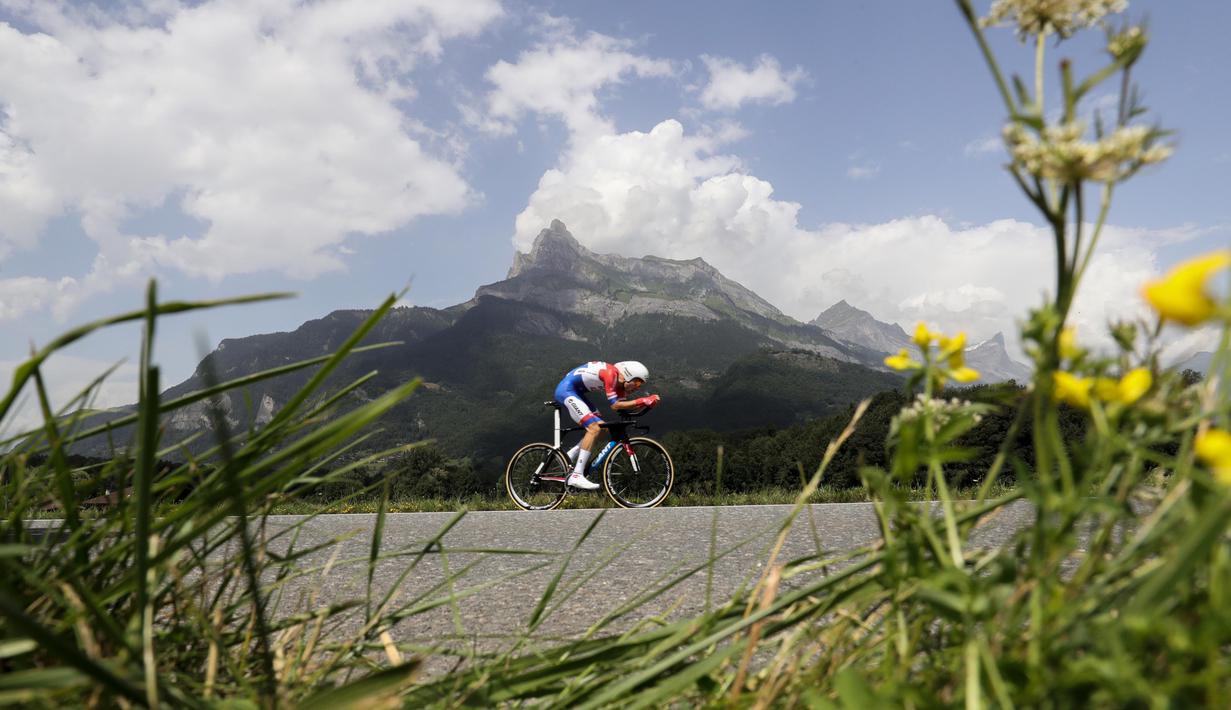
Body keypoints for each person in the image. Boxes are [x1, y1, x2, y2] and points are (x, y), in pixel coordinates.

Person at [553, 360, 660, 490]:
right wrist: (643, 400)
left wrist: (646, 405)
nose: (638, 387)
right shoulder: (611, 374)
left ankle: (570, 455)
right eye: (637, 382)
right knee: (594, 428)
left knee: (603, 429)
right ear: (628, 375)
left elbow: (622, 408)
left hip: (576, 393)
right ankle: (577, 475)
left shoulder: (620, 386)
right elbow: (615, 405)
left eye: (641, 385)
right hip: (566, 391)